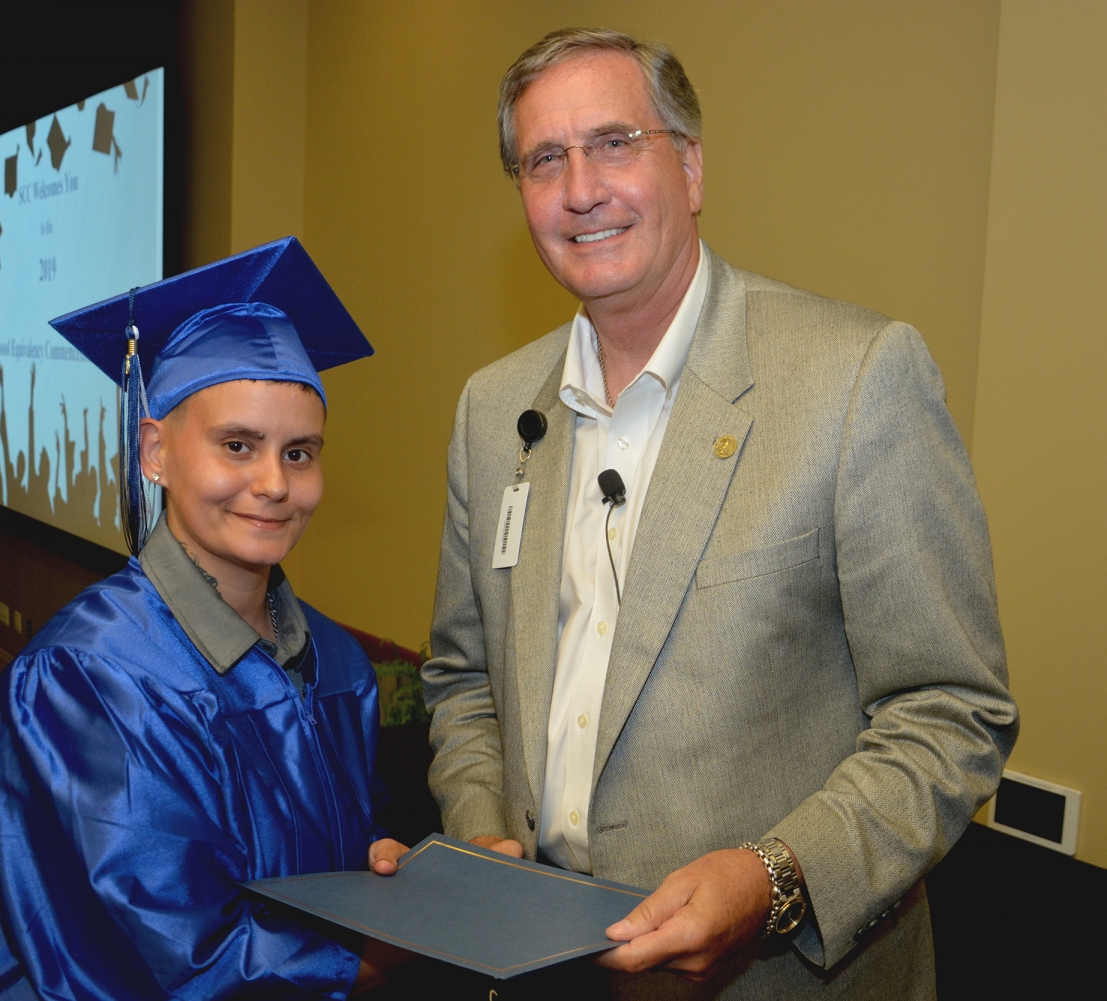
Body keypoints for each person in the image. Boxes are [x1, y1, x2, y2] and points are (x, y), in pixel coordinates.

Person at [423, 28, 1018, 999]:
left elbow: (952, 713)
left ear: (690, 166)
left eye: (616, 142)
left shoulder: (856, 380)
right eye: (544, 159)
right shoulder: (493, 414)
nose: (581, 188)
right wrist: (481, 829)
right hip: (539, 967)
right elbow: (461, 680)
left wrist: (776, 877)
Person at [0, 238, 411, 1001]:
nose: (273, 483)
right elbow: (167, 958)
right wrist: (385, 952)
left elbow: (320, 867)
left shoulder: (335, 662)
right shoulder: (87, 681)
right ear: (155, 451)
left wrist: (383, 872)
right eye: (238, 445)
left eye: (300, 453)